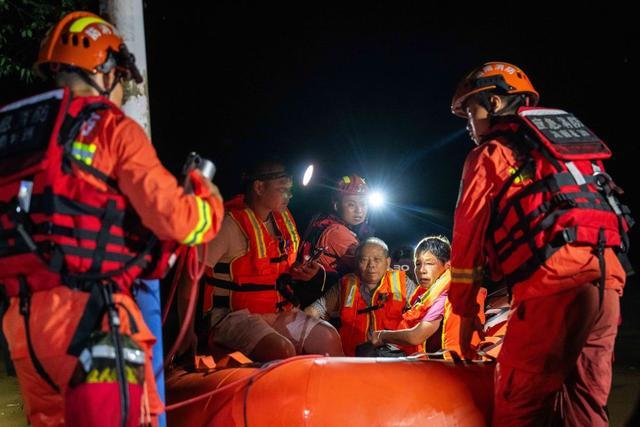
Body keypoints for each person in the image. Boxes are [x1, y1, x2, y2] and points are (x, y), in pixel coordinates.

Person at [0, 11, 224, 426]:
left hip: (24, 328)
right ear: (105, 71)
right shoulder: (110, 127)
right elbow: (175, 220)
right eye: (120, 77)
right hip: (95, 323)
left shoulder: (14, 133)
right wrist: (209, 205)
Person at [448, 61, 632, 426]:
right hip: (607, 288)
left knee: (518, 404)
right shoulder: (572, 153)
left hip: (554, 291)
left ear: (498, 103)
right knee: (585, 406)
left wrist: (465, 314)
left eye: (471, 111)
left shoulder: (489, 155)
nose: (469, 125)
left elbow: (466, 243)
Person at [185, 159, 343, 362]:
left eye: (290, 189)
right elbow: (188, 278)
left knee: (328, 337)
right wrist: (187, 330)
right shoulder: (228, 225)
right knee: (281, 350)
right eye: (283, 189)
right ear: (259, 187)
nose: (290, 195)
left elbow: (277, 271)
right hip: (233, 317)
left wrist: (301, 272)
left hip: (279, 311)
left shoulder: (282, 221)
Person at [371, 236, 485, 355]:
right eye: (418, 264)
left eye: (429, 263)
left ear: (447, 266)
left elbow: (415, 337)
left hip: (450, 368)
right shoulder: (429, 293)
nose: (421, 270)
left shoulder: (447, 295)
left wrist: (381, 335)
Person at [306, 237, 417, 356]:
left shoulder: (403, 283)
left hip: (394, 360)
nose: (371, 265)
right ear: (356, 262)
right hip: (351, 361)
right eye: (364, 260)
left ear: (388, 262)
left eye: (377, 259)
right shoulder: (346, 284)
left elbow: (422, 316)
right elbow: (315, 310)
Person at [298, 174, 370, 275]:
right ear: (336, 205)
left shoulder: (323, 220)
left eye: (363, 203)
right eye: (351, 204)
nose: (359, 210)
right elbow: (369, 268)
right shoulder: (337, 232)